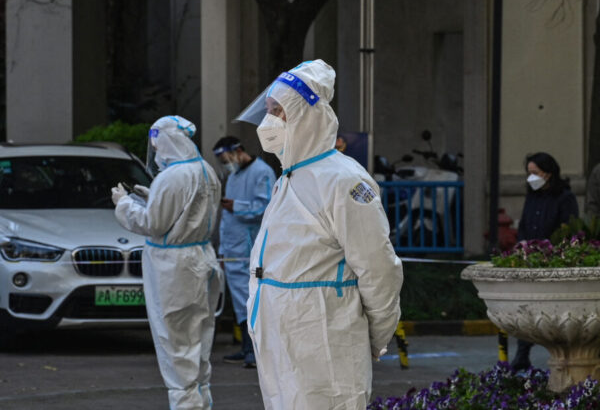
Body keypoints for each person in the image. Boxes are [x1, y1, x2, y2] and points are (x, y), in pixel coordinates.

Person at [235, 59, 403, 409]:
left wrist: (377, 334)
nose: (268, 121)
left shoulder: (344, 181)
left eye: (278, 111)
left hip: (324, 335)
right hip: (284, 339)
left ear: (305, 116)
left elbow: (379, 268)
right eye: (267, 110)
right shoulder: (290, 177)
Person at [111, 115, 223, 410]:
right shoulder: (205, 170)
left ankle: (186, 405)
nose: (156, 151)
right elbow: (187, 211)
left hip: (174, 268)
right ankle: (201, 402)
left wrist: (123, 204)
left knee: (175, 343)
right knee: (199, 340)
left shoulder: (172, 176)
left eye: (157, 144)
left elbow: (153, 223)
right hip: (202, 258)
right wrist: (153, 197)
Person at [511, 152, 578, 371]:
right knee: (527, 308)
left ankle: (564, 357)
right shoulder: (532, 195)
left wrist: (550, 248)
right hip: (530, 260)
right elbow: (524, 224)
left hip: (553, 261)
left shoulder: (565, 197)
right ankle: (522, 355)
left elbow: (568, 229)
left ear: (548, 174)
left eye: (535, 173)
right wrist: (522, 243)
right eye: (528, 173)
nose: (531, 178)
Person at [213, 136, 276, 368]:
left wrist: (237, 206)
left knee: (252, 297)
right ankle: (246, 347)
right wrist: (222, 251)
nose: (225, 163)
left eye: (226, 158)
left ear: (239, 151)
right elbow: (225, 220)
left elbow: (267, 207)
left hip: (250, 246)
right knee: (240, 299)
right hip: (232, 248)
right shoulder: (234, 176)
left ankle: (256, 349)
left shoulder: (262, 172)